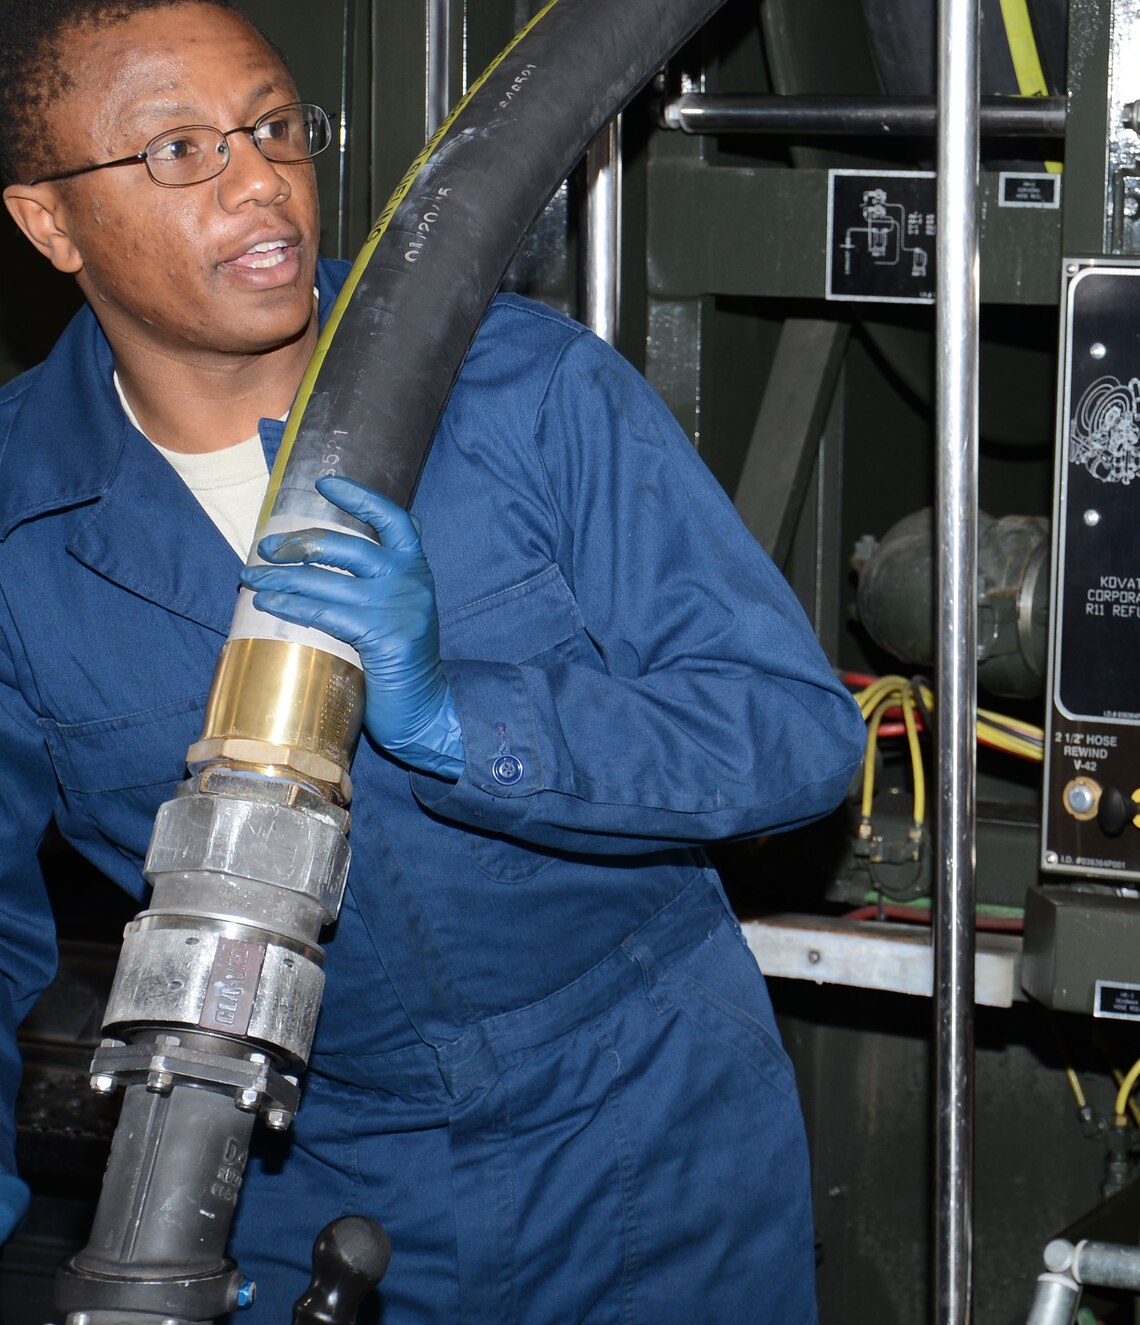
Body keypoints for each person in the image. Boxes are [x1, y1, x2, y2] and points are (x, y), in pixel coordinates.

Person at [0, 0, 863, 1317]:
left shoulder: (529, 390)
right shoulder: (20, 526)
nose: (259, 182)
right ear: (49, 222)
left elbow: (793, 736)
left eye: (275, 127)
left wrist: (465, 720)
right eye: (178, 151)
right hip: (300, 1163)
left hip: (646, 1129)